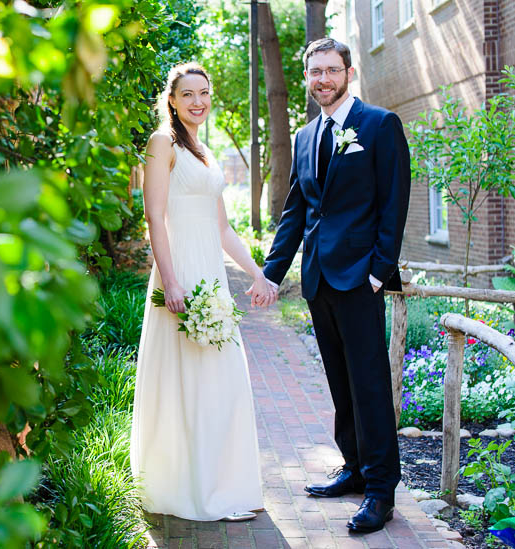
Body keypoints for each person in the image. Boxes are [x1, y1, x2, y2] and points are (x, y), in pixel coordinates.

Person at [263, 38, 411, 534]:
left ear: (348, 73)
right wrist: (271, 272)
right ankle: (353, 468)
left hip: (359, 280)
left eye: (331, 70)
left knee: (369, 386)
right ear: (306, 79)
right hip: (318, 280)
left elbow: (394, 203)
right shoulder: (306, 137)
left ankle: (380, 491)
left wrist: (377, 271)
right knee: (341, 384)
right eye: (314, 73)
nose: (322, 79)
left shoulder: (379, 125)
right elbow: (297, 211)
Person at [129, 62, 275, 522]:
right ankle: (190, 488)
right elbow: (154, 216)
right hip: (181, 273)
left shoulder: (206, 152)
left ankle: (222, 486)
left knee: (221, 378)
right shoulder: (162, 144)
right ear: (171, 100)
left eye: (204, 93)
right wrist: (170, 281)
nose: (198, 101)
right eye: (188, 94)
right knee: (187, 379)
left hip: (210, 275)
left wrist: (258, 273)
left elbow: (224, 229)